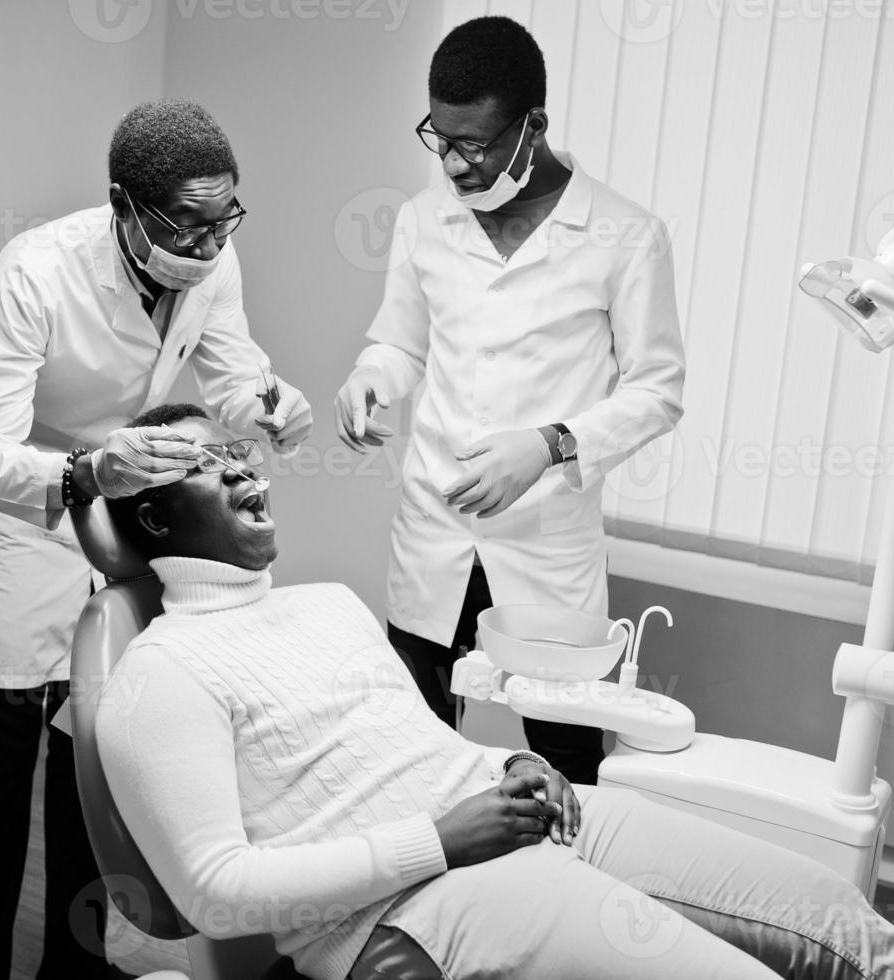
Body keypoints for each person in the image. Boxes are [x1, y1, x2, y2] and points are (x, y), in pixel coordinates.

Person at [95, 404, 894, 980]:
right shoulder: (159, 674)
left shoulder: (326, 604)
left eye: (241, 453)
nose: (250, 474)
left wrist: (511, 759)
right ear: (157, 522)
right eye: (210, 466)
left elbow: (419, 747)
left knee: (839, 925)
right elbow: (213, 892)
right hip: (414, 901)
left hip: (514, 814)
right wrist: (440, 841)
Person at [0, 101, 312, 979]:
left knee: (94, 749)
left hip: (122, 512)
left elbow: (230, 375)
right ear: (122, 203)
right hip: (24, 515)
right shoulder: (37, 268)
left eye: (223, 220)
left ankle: (74, 970)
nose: (207, 243)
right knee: (2, 755)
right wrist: (82, 474)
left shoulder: (212, 260)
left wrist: (271, 401)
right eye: (185, 223)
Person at [334, 16, 685, 785]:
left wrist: (549, 444)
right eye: (442, 139)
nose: (456, 165)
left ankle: (557, 899)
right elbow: (401, 343)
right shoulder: (423, 218)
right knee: (414, 751)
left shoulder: (625, 236)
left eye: (478, 144)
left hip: (544, 543)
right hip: (435, 525)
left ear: (534, 126)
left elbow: (658, 392)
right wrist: (371, 376)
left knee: (565, 760)